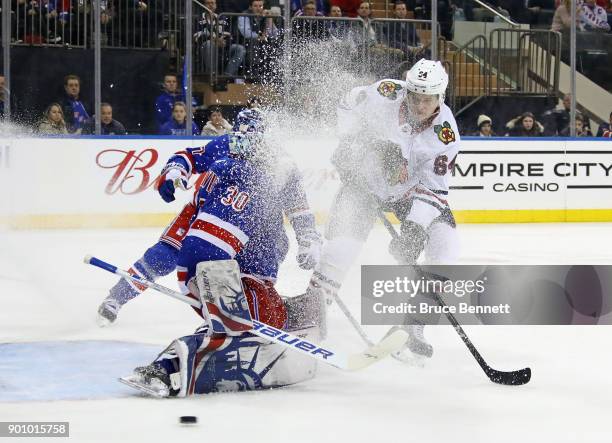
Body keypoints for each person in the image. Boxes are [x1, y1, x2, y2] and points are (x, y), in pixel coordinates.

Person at [103, 115, 323, 397]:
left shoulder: (281, 164)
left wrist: (308, 239)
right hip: (210, 232)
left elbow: (298, 206)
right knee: (166, 258)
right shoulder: (224, 148)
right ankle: (125, 303)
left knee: (249, 299)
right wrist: (174, 171)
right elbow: (186, 157)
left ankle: (271, 316)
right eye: (239, 137)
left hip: (255, 247)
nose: (241, 144)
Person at [304, 59, 461, 359]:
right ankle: (309, 314)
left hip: (412, 193)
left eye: (428, 99)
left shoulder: (446, 136)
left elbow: (434, 188)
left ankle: (413, 325)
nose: (420, 104)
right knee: (340, 250)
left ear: (440, 96)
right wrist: (348, 142)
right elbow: (348, 101)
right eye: (415, 96)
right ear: (407, 90)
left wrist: (414, 229)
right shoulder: (385, 93)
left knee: (446, 247)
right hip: (364, 183)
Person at [195, 0, 246, 77]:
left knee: (240, 49)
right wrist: (213, 39)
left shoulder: (223, 18)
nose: (210, 5)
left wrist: (224, 42)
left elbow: (229, 35)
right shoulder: (198, 19)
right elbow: (196, 36)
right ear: (203, 5)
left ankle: (227, 75)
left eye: (212, 3)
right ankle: (213, 75)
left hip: (223, 47)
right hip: (205, 47)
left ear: (216, 5)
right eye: (208, 3)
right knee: (209, 44)